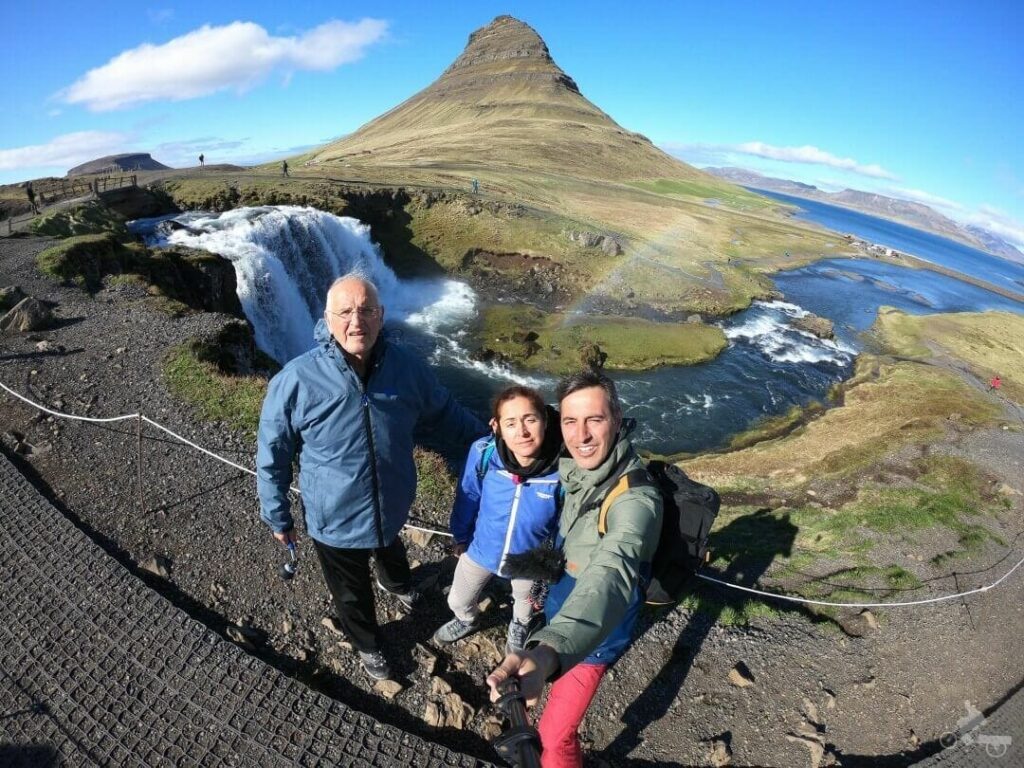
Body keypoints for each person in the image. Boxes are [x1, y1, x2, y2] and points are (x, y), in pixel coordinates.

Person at [257, 274, 486, 681]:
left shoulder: (406, 368)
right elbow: (272, 453)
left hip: (392, 501)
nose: (355, 321)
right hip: (334, 517)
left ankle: (397, 584)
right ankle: (367, 644)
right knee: (350, 591)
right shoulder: (295, 380)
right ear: (328, 319)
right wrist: (277, 514)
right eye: (345, 312)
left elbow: (445, 412)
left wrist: (489, 441)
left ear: (381, 316)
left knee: (389, 544)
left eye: (365, 310)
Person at [486, 369, 662, 768]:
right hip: (562, 613)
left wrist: (549, 653)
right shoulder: (579, 467)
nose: (580, 436)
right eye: (570, 421)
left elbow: (610, 575)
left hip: (595, 634)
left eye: (594, 420)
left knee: (553, 738)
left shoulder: (636, 501)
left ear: (617, 419)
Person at [433, 385, 562, 653]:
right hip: (482, 548)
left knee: (524, 606)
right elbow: (468, 494)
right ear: (496, 426)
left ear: (545, 421)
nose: (522, 431)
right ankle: (466, 619)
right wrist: (461, 536)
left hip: (530, 560)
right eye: (511, 422)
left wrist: (553, 564)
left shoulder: (562, 470)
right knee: (457, 600)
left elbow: (567, 524)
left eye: (530, 419)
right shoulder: (484, 454)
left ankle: (519, 625)